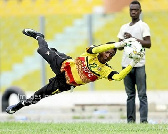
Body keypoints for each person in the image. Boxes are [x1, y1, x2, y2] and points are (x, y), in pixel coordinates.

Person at [6, 28, 143, 114]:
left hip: (64, 83)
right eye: (107, 52)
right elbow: (96, 49)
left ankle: (19, 105)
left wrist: (133, 63)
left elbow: (118, 77)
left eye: (111, 55)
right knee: (41, 50)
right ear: (103, 49)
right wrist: (118, 44)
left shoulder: (105, 70)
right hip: (64, 64)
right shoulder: (92, 52)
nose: (108, 56)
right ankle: (39, 36)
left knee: (38, 96)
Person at [117, 0, 151, 123]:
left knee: (142, 95)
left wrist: (133, 39)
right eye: (131, 10)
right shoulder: (124, 27)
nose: (133, 12)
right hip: (126, 65)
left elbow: (148, 43)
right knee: (130, 95)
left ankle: (143, 121)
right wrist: (125, 40)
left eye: (136, 10)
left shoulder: (143, 26)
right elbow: (120, 47)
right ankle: (130, 122)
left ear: (140, 11)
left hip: (139, 64)